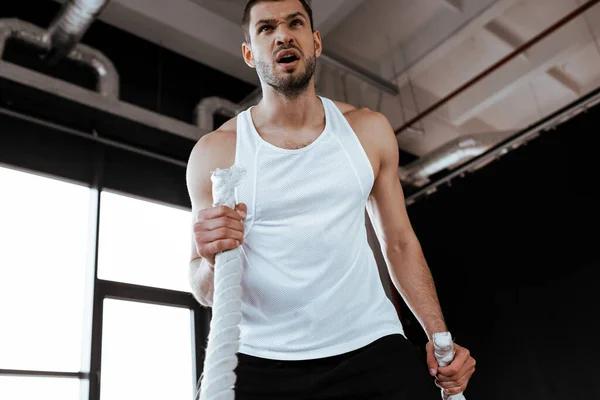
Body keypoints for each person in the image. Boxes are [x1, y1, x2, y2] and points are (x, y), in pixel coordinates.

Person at [186, 0, 476, 398]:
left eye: (295, 23)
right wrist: (209, 256)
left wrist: (440, 339)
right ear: (249, 53)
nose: (283, 35)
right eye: (266, 28)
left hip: (370, 345)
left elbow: (400, 243)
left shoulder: (367, 131)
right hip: (259, 360)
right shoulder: (216, 152)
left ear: (315, 41)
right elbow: (201, 289)